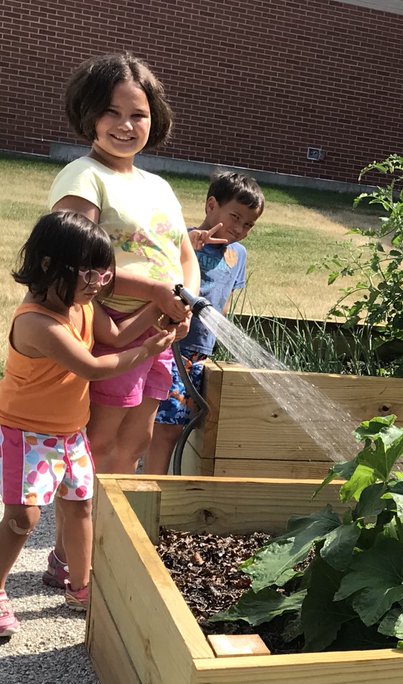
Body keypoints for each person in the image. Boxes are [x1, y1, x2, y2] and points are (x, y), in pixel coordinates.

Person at [43, 52, 198, 588]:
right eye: (111, 113)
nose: (126, 125)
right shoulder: (83, 177)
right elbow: (76, 261)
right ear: (87, 115)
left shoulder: (158, 186)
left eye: (138, 113)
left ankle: (104, 542)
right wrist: (156, 291)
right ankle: (69, 556)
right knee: (98, 446)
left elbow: (183, 256)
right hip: (112, 334)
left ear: (154, 117)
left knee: (134, 443)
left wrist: (185, 300)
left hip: (158, 336)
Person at [0, 212, 180, 635]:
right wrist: (153, 344)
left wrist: (160, 311)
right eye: (89, 271)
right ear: (47, 265)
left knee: (80, 506)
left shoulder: (82, 305)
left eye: (104, 272)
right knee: (23, 518)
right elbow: (97, 367)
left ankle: (79, 585)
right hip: (28, 435)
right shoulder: (37, 323)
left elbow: (115, 337)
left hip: (69, 433)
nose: (99, 282)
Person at [145, 172, 265, 475]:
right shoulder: (182, 241)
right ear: (211, 205)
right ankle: (150, 492)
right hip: (170, 349)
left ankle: (158, 490)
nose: (240, 228)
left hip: (200, 354)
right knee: (162, 430)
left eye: (249, 224)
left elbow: (221, 305)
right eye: (235, 217)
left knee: (180, 427)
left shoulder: (238, 255)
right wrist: (190, 245)